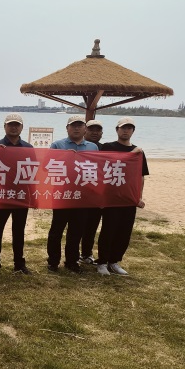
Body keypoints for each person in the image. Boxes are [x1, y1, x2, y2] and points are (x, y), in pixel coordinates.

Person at [46, 115, 98, 273]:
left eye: (79, 125)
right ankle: (53, 261)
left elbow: (97, 170)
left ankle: (72, 261)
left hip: (82, 196)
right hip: (62, 195)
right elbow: (46, 167)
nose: (76, 128)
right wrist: (63, 157)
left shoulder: (93, 147)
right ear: (67, 128)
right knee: (56, 230)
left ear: (85, 129)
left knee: (76, 231)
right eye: (73, 125)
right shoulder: (57, 145)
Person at [96, 117, 148, 276]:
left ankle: (114, 261)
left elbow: (140, 176)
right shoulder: (108, 147)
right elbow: (101, 167)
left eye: (129, 128)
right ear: (117, 130)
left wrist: (138, 197)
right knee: (108, 230)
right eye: (123, 128)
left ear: (133, 131)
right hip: (111, 197)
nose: (126, 131)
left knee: (124, 232)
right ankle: (102, 262)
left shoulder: (139, 152)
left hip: (128, 198)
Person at [0, 113, 34, 276]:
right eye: (10, 124)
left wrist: (33, 196)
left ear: (22, 127)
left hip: (21, 195)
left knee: (19, 231)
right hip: (1, 195)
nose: (14, 127)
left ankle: (19, 264)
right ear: (5, 127)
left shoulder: (28, 148)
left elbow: (32, 173)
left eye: (17, 125)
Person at [79, 119, 104, 265]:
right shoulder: (78, 147)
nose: (95, 132)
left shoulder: (106, 149)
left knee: (92, 225)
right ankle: (73, 255)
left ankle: (86, 253)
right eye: (91, 129)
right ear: (85, 131)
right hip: (79, 193)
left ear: (102, 133)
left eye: (98, 130)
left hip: (96, 195)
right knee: (77, 226)